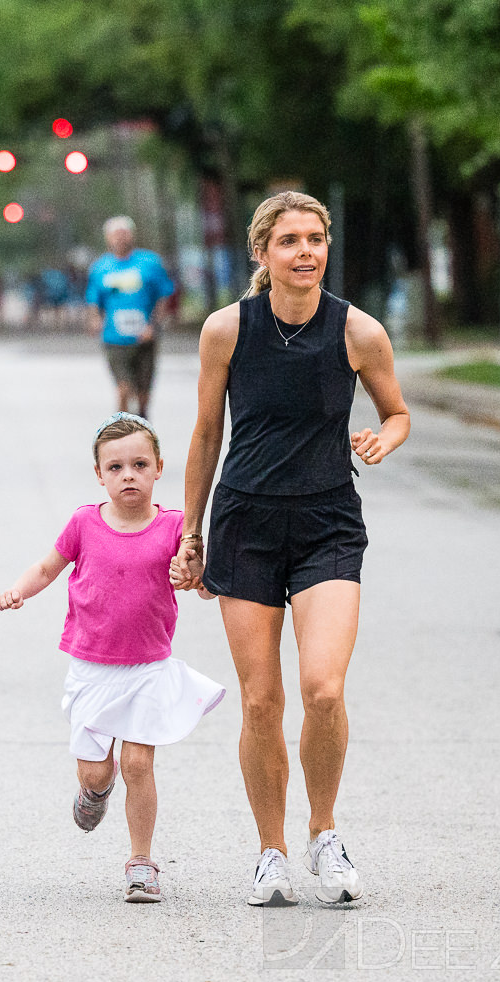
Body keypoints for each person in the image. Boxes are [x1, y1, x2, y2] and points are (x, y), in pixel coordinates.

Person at [171, 191, 410, 907]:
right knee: (261, 701)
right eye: (290, 241)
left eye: (315, 239)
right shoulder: (226, 331)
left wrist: (382, 438)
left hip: (328, 522)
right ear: (262, 253)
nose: (305, 252)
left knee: (324, 688)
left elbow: (397, 412)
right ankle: (270, 851)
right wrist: (190, 532)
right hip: (245, 523)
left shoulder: (358, 331)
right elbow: (207, 434)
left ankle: (324, 833)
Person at [0, 414, 225, 903]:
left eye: (139, 465)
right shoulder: (84, 522)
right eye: (116, 467)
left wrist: (197, 581)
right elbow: (47, 567)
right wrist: (19, 590)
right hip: (92, 668)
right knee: (98, 771)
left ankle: (141, 861)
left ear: (159, 468)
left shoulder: (175, 528)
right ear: (99, 474)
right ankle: (95, 791)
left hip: (148, 668)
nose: (128, 475)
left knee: (139, 763)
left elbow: (205, 583)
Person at [85, 216, 174, 419]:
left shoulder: (150, 263)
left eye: (124, 233)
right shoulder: (100, 267)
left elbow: (164, 296)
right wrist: (94, 319)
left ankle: (143, 420)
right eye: (115, 234)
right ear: (108, 238)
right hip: (114, 339)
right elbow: (93, 301)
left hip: (144, 337)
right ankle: (121, 428)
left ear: (132, 235)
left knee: (143, 391)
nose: (120, 238)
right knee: (123, 388)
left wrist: (154, 326)